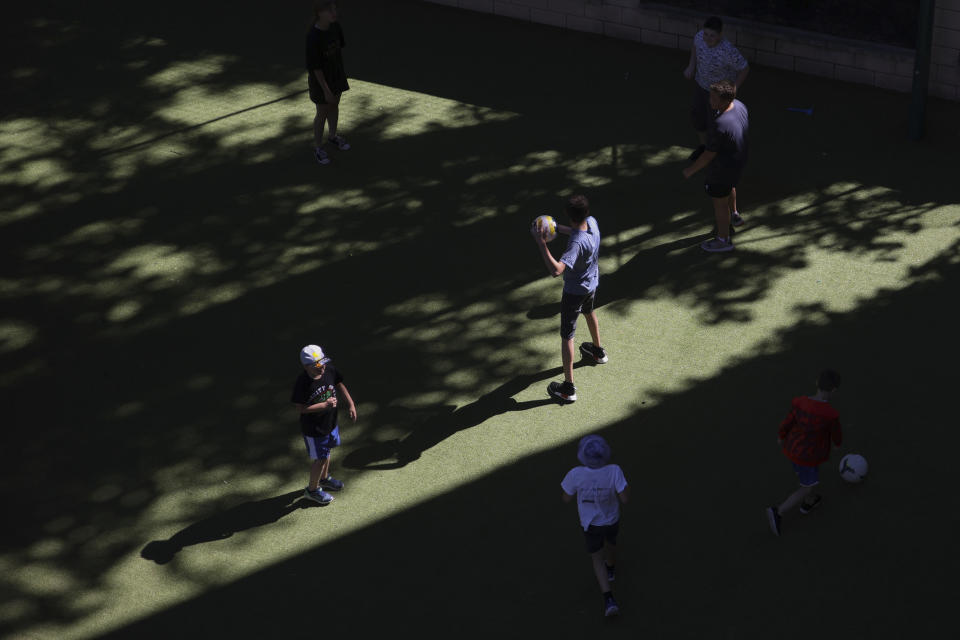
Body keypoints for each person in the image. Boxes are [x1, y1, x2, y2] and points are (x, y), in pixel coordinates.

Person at [531, 195, 607, 404]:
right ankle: (597, 352)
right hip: (591, 284)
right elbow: (575, 231)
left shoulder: (576, 243)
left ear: (568, 214)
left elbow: (557, 270)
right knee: (590, 312)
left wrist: (541, 243)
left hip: (574, 293)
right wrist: (555, 228)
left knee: (568, 336)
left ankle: (568, 388)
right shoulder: (592, 223)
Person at [766, 370, 843, 537]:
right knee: (807, 487)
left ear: (817, 383)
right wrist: (837, 445)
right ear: (834, 390)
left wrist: (781, 436)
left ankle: (809, 502)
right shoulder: (830, 414)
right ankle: (778, 511)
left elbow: (787, 422)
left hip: (793, 449)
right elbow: (836, 434)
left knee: (808, 479)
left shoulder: (800, 403)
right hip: (808, 457)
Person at [561, 435, 630, 617]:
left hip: (591, 525)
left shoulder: (575, 474)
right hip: (612, 519)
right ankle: (612, 569)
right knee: (611, 543)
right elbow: (624, 498)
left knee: (596, 558)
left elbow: (566, 498)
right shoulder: (614, 470)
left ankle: (609, 599)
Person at [682, 80, 748, 253]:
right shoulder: (740, 106)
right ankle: (734, 214)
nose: (709, 100)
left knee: (719, 204)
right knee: (730, 187)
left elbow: (709, 155)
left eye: (713, 97)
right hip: (737, 161)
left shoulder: (720, 125)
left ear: (725, 100)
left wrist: (691, 170)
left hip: (722, 169)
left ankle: (723, 240)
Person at [291, 344, 358, 504]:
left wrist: (351, 404)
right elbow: (301, 409)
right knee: (320, 459)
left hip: (330, 423)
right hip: (314, 429)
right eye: (317, 367)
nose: (322, 368)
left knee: (326, 452)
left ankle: (324, 478)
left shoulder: (329, 370)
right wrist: (324, 405)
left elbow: (339, 384)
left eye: (323, 363)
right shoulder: (302, 383)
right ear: (307, 367)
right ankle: (312, 491)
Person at [682, 16, 749, 155]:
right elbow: (695, 47)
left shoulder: (728, 51)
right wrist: (691, 66)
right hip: (701, 85)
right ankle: (703, 147)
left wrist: (734, 89)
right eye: (706, 34)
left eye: (712, 35)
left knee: (716, 125)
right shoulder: (699, 37)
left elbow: (744, 68)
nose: (707, 38)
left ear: (720, 35)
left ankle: (716, 153)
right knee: (698, 117)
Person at [306, 1, 351, 166]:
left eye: (335, 8)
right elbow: (315, 68)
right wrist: (326, 89)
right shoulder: (313, 37)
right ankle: (318, 148)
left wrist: (338, 77)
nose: (334, 12)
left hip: (336, 77)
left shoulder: (335, 27)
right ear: (319, 12)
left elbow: (339, 51)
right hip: (321, 83)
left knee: (334, 106)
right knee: (322, 112)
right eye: (330, 9)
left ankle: (332, 137)